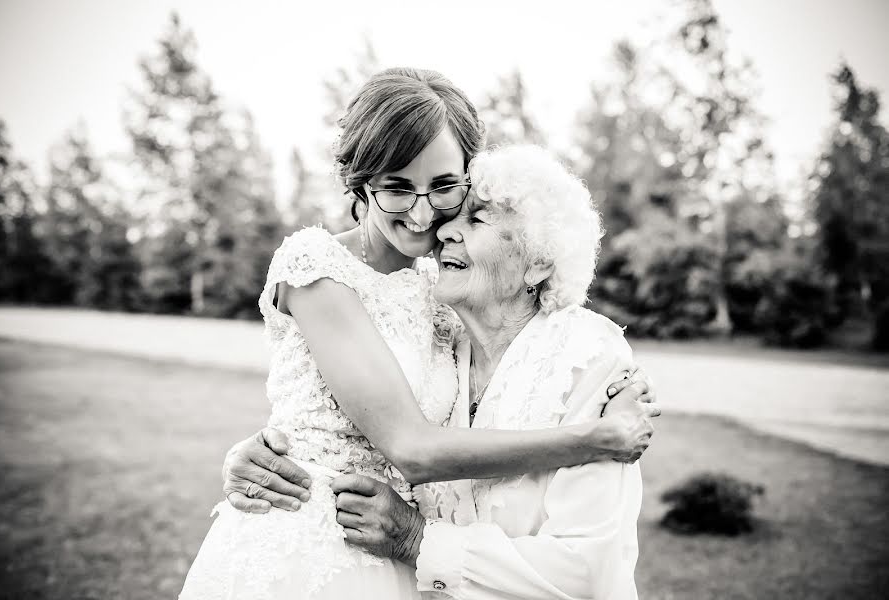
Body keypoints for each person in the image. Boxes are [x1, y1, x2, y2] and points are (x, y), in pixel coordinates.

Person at [179, 68, 657, 600]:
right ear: (363, 181)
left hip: (406, 557)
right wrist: (592, 440)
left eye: (444, 187)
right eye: (397, 188)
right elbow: (408, 445)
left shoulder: (444, 290)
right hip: (312, 541)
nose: (423, 212)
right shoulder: (317, 268)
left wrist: (607, 392)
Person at [325, 145, 646, 598]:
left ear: (537, 263)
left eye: (476, 220)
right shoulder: (437, 347)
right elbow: (355, 428)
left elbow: (584, 571)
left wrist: (417, 539)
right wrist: (268, 449)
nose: (445, 232)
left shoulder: (590, 355)